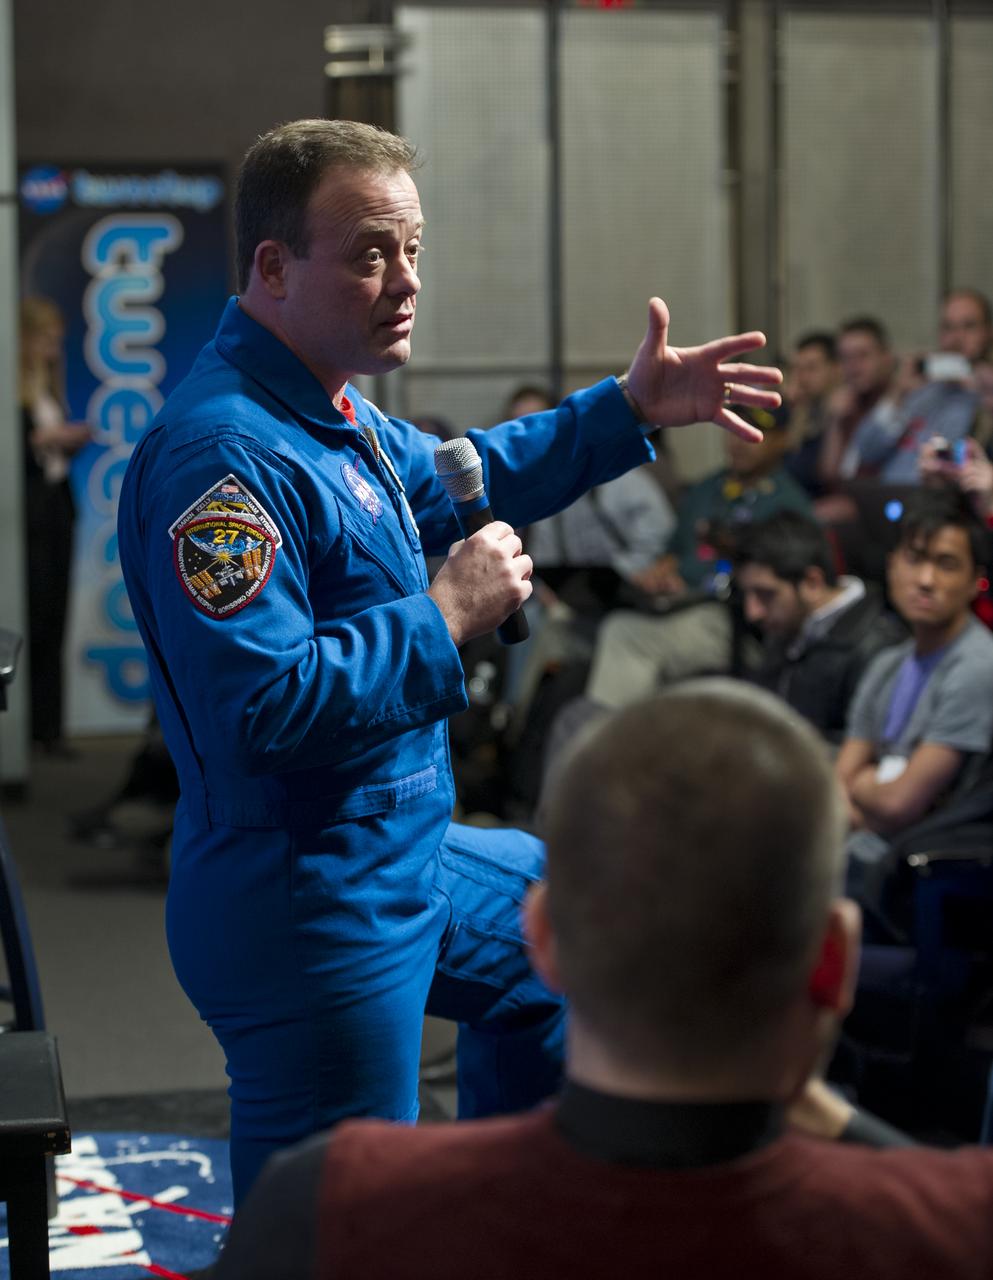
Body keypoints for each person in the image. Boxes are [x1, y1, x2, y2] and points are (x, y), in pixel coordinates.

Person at [116, 118, 782, 1204]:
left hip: (397, 846)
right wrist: (445, 615)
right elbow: (261, 710)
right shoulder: (225, 455)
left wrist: (626, 412)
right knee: (337, 1228)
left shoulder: (335, 412)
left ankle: (505, 1224)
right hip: (309, 888)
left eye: (414, 249)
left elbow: (465, 478)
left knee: (564, 930)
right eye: (371, 252)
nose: (404, 279)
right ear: (274, 268)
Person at [212, 682, 993, 1280]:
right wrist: (826, 1115)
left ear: (541, 935)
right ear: (833, 962)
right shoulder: (954, 1225)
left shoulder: (331, 1206)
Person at [581, 405, 811, 711]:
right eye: (732, 428)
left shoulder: (788, 506)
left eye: (752, 432)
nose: (737, 441)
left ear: (781, 440)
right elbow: (674, 552)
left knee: (625, 634)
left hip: (734, 621)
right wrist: (659, 574)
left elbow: (786, 590)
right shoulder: (706, 490)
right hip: (675, 605)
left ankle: (608, 749)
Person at [837, 488, 993, 907]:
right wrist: (869, 790)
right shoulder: (888, 662)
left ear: (975, 581)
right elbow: (838, 784)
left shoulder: (977, 664)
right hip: (868, 842)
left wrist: (864, 786)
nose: (926, 580)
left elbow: (901, 803)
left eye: (946, 564)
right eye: (915, 559)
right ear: (891, 566)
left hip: (917, 867)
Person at [735, 512, 905, 740]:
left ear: (812, 583)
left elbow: (866, 747)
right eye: (747, 594)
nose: (752, 612)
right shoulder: (787, 627)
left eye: (765, 594)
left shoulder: (876, 646)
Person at [19, 296, 92, 756]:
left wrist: (65, 442)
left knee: (53, 621)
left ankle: (49, 729)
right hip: (26, 519)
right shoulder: (15, 393)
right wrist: (43, 439)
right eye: (46, 338)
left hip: (56, 513)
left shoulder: (47, 389)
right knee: (30, 619)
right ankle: (25, 730)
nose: (53, 348)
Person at [848, 290, 993, 484]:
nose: (956, 338)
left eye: (968, 326)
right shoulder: (920, 389)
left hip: (944, 506)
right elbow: (866, 451)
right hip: (890, 499)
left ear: (987, 333)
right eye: (948, 327)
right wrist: (897, 395)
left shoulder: (985, 395)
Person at [782, 330, 840, 496]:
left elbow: (826, 475)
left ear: (836, 368)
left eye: (811, 368)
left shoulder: (846, 415)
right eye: (797, 369)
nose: (802, 377)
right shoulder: (799, 411)